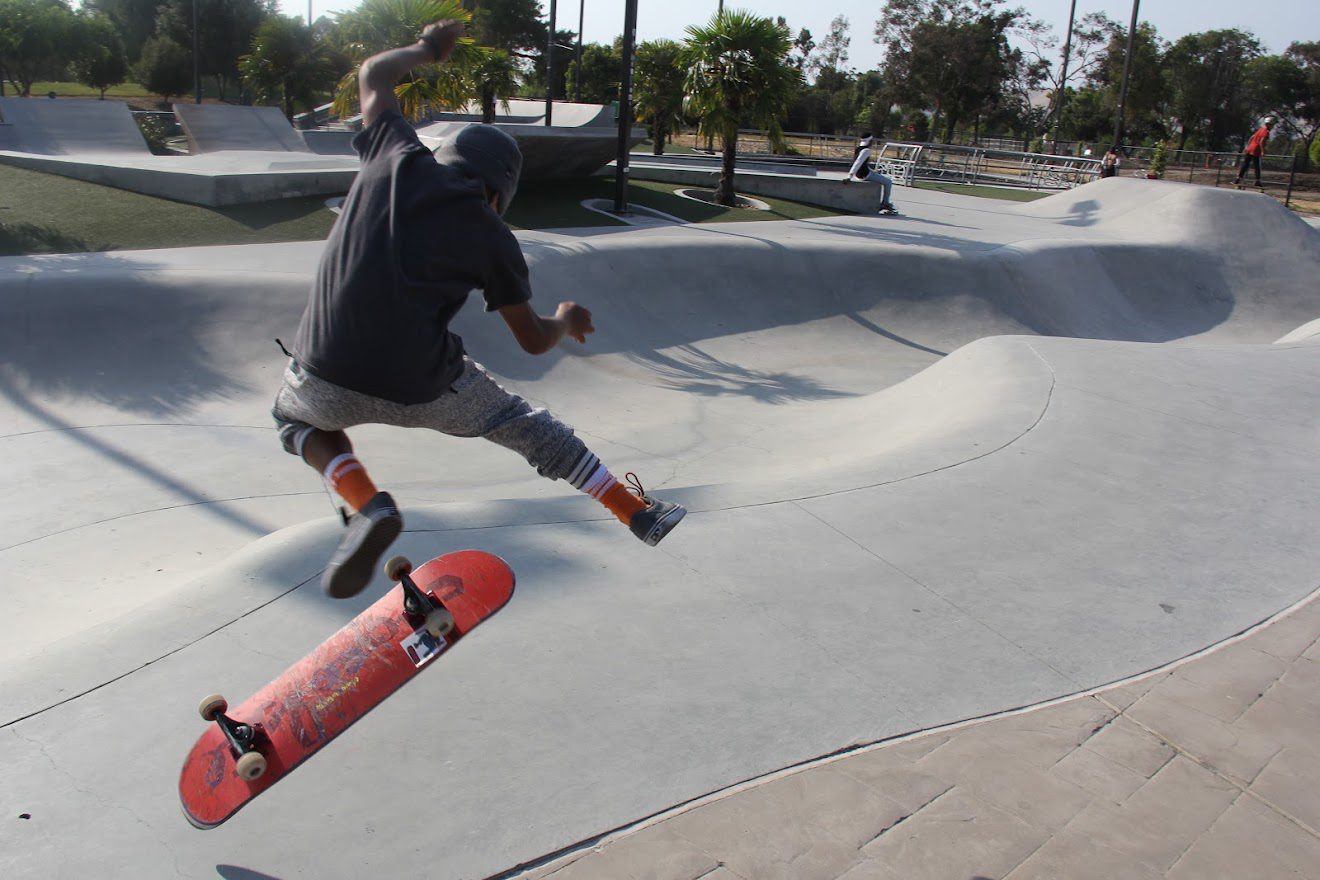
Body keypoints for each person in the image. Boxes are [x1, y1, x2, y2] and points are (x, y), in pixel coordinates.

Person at [272, 20, 686, 599]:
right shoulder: (494, 237)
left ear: (445, 156)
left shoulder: (393, 152)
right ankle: (632, 511)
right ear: (500, 194)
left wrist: (426, 49)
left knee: (292, 420)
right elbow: (534, 340)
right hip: (424, 383)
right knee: (523, 425)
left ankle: (367, 506)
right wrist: (566, 318)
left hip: (323, 372)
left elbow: (373, 74)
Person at [846, 132, 897, 213]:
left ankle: (884, 203)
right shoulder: (866, 150)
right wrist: (849, 176)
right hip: (865, 175)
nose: (872, 143)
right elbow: (858, 163)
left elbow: (862, 163)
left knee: (880, 177)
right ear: (869, 141)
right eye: (872, 141)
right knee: (888, 182)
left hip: (861, 173)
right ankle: (885, 203)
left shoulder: (858, 149)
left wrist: (872, 171)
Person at [1233, 117, 1275, 189]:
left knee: (1245, 164)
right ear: (1270, 125)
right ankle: (1257, 181)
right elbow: (1262, 142)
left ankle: (1238, 179)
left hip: (1250, 148)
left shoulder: (1261, 129)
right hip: (1256, 150)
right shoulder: (1266, 132)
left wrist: (1247, 146)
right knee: (1257, 166)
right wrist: (1262, 151)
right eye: (1272, 125)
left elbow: (1252, 137)